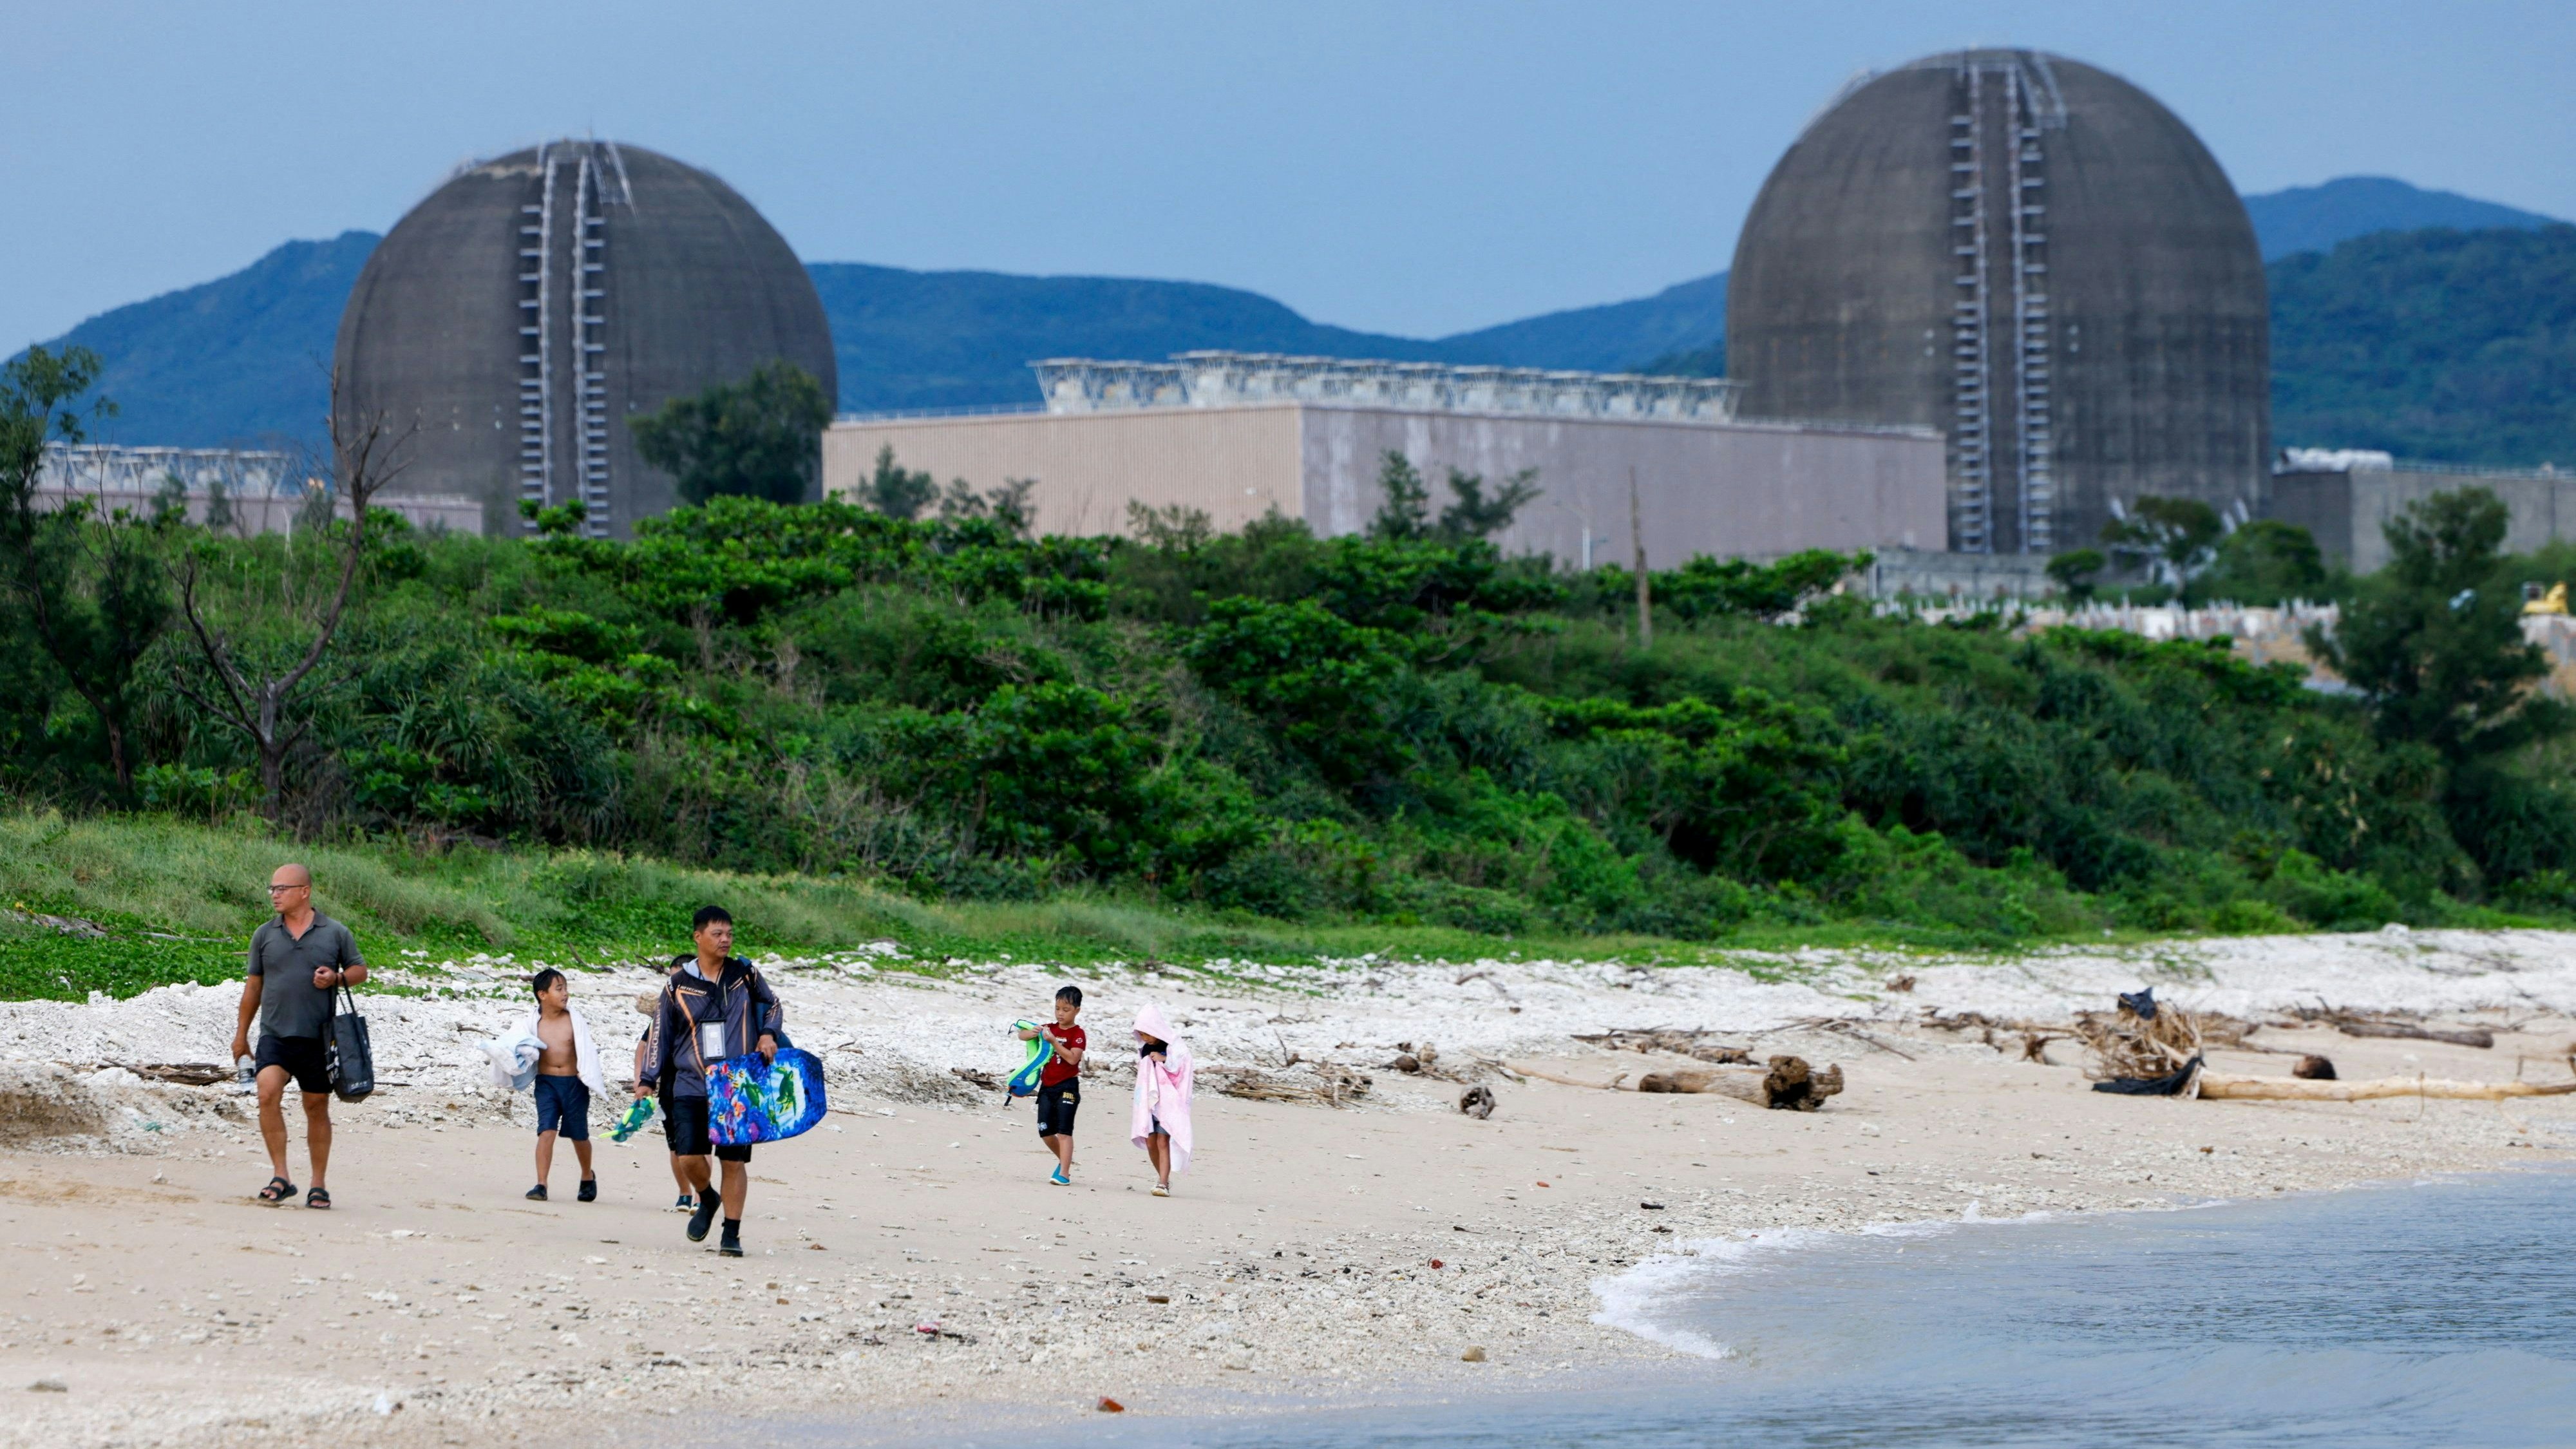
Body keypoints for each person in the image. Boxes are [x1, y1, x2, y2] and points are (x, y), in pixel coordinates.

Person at [635, 905, 782, 1257]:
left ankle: (731, 1234)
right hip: (689, 1082)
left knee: (733, 1162)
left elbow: (773, 1005)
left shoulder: (744, 973)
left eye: (729, 933)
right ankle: (707, 1197)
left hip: (736, 1084)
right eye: (717, 934)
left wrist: (767, 1034)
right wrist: (647, 1080)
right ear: (698, 937)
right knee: (688, 1157)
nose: (726, 940)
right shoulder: (677, 986)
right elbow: (660, 1034)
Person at [227, 863, 365, 1209]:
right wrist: (241, 1035)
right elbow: (253, 986)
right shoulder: (264, 934)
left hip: (318, 1038)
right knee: (266, 1092)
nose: (274, 895)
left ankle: (318, 1184)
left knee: (316, 1107)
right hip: (274, 1034)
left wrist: (335, 978)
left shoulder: (335, 932)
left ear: (304, 892)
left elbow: (360, 971)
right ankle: (281, 1175)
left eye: (282, 889)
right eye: (272, 889)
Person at [523, 969, 607, 1201]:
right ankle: (541, 1184)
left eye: (566, 988)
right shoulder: (532, 1022)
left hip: (574, 1084)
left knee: (579, 1135)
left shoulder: (573, 1020)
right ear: (542, 994)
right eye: (559, 989)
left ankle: (587, 1175)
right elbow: (515, 1045)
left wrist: (588, 1077)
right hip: (546, 1083)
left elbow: (587, 1052)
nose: (565, 994)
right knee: (546, 1130)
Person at [632, 988, 696, 1213]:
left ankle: (700, 1197)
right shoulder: (663, 1019)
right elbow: (643, 1048)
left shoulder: (704, 1015)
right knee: (675, 1144)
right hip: (669, 1087)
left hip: (698, 1086)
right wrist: (641, 1080)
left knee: (700, 1143)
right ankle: (685, 1194)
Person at [1016, 985, 1088, 1185]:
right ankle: (1064, 1162)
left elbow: (1073, 1059)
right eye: (1058, 1008)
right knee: (1045, 1131)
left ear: (1077, 1011)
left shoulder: (1078, 1033)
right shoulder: (1050, 1028)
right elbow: (1021, 1035)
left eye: (1066, 1010)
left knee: (1064, 1131)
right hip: (1047, 1087)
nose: (1061, 1013)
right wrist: (1033, 1032)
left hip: (1068, 1087)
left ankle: (1064, 1173)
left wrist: (1055, 1042)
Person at [1129, 1003, 1194, 1198]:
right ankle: (1162, 1177)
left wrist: (1164, 1058)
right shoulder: (1144, 1047)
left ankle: (1163, 1183)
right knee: (1151, 1142)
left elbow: (1183, 1065)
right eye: (1140, 1033)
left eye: (1147, 1033)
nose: (1144, 1038)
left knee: (1163, 1140)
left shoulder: (1173, 1045)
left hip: (1169, 1104)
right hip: (1150, 1103)